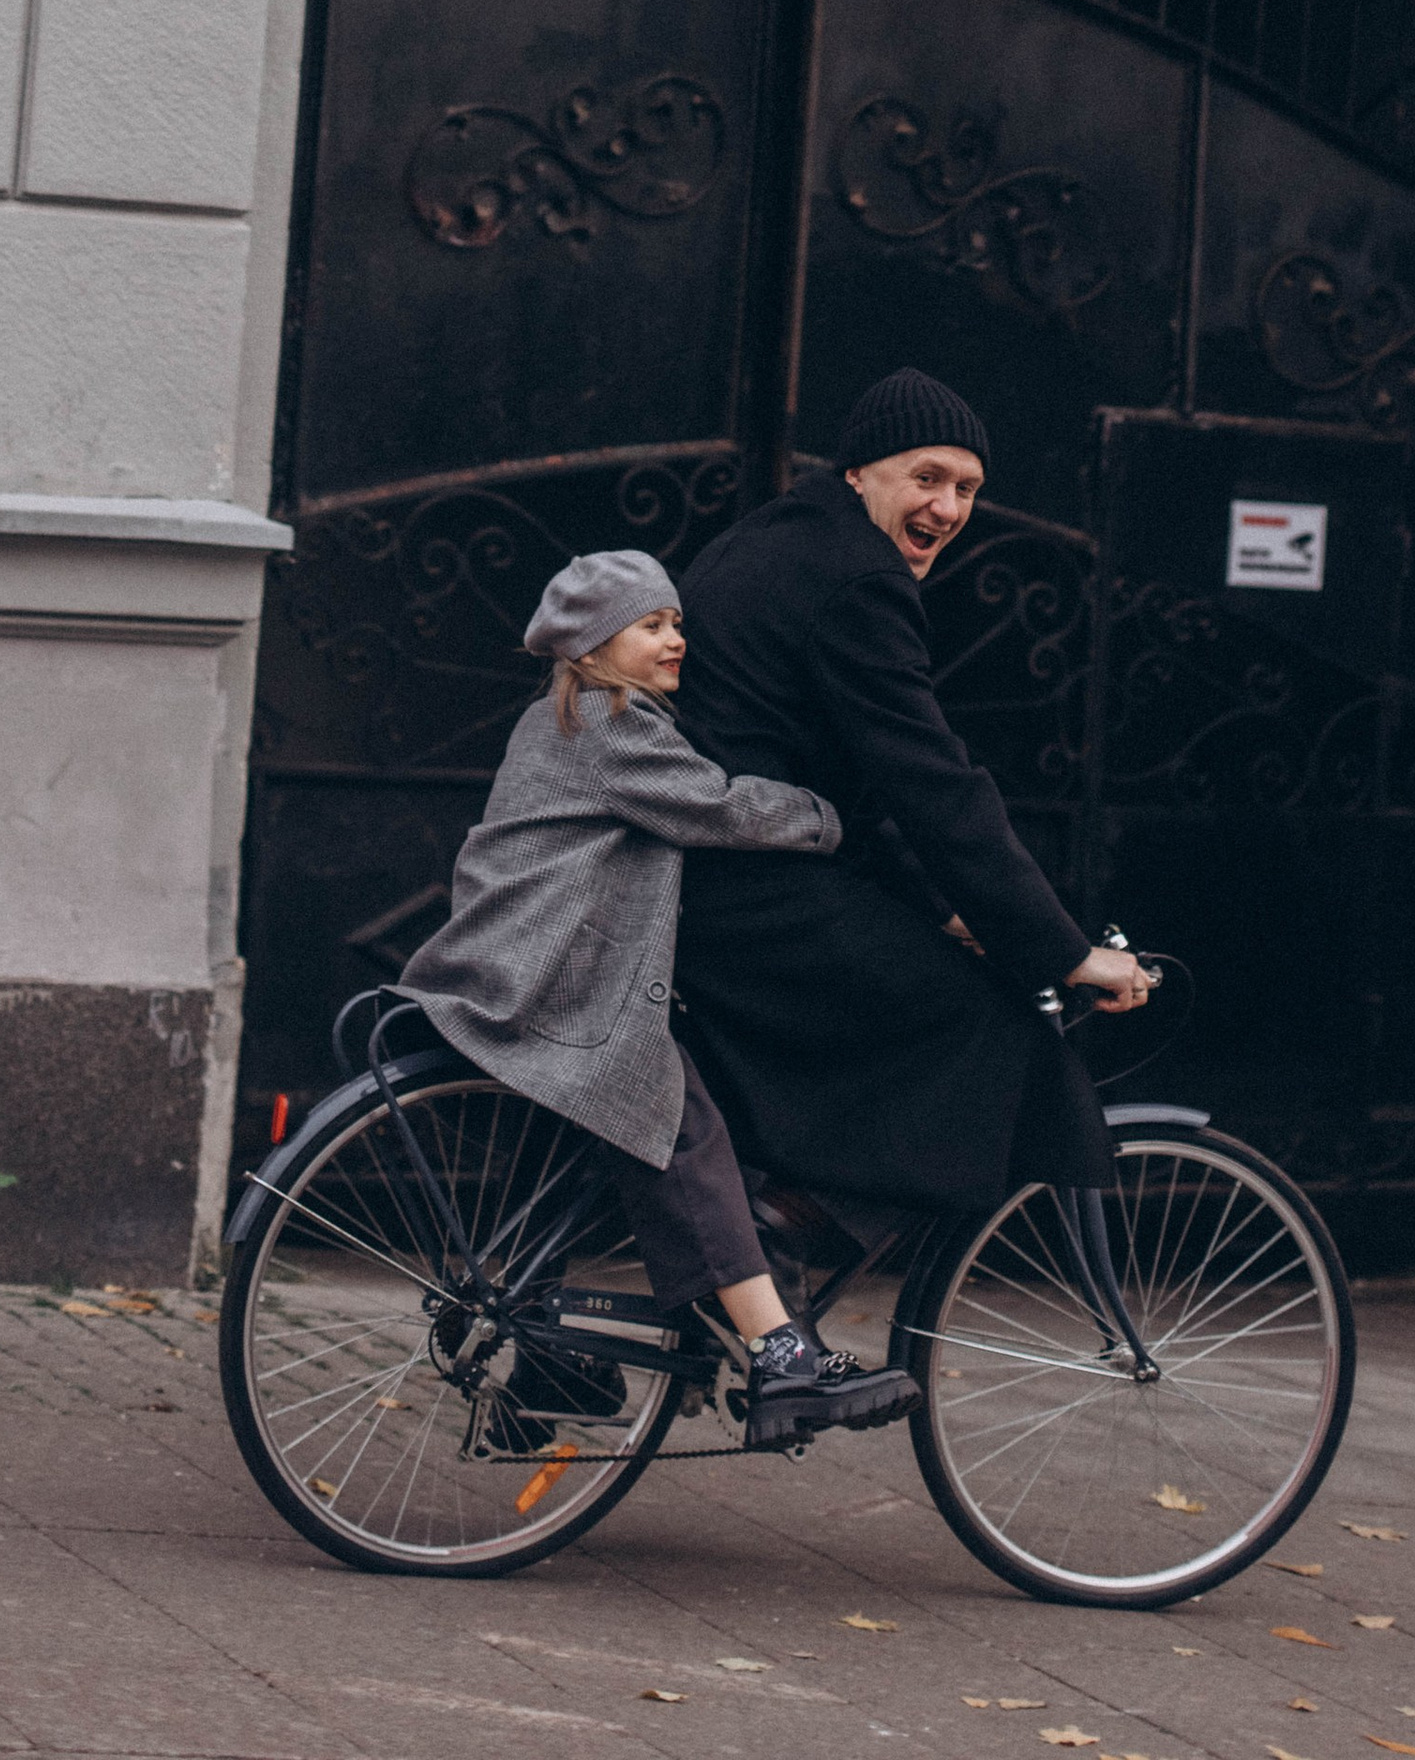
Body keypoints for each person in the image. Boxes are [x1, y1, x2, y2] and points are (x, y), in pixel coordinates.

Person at [398, 545, 917, 1446]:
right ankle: (779, 1352)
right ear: (595, 647)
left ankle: (556, 1359)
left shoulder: (559, 721)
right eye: (652, 624)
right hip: (553, 982)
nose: (677, 637)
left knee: (590, 1140)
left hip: (520, 967)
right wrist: (832, 819)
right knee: (680, 1125)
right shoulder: (606, 722)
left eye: (676, 620)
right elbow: (717, 807)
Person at [672, 371, 1155, 1224]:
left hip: (704, 870)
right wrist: (1063, 953)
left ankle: (760, 1229)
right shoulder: (856, 576)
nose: (947, 508)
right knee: (984, 1024)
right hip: (742, 889)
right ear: (860, 471)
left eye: (967, 488)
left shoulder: (785, 539)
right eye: (926, 477)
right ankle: (784, 1233)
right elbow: (932, 782)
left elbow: (851, 786)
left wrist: (947, 909)